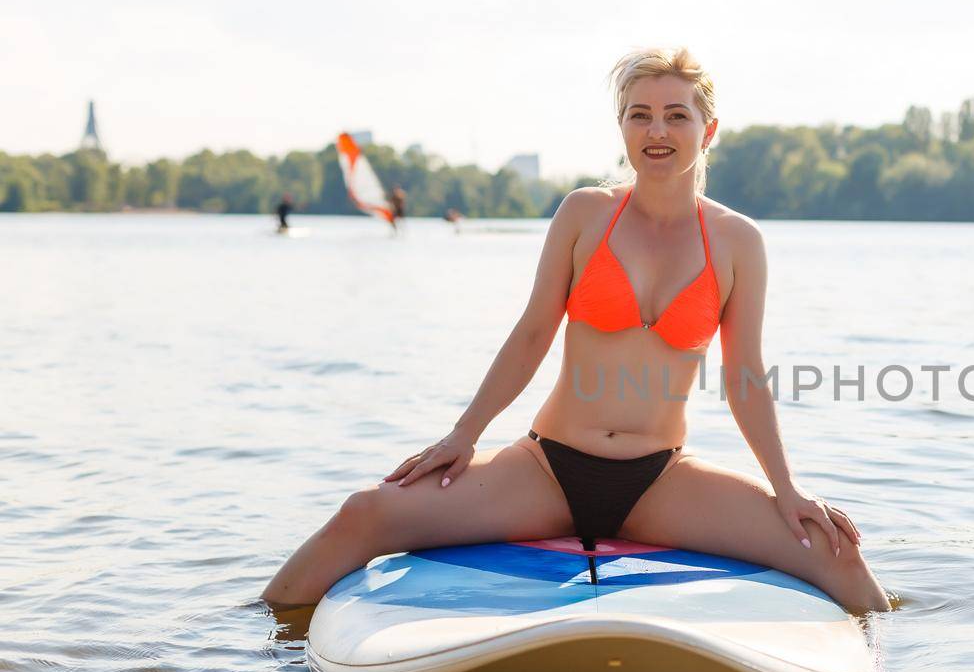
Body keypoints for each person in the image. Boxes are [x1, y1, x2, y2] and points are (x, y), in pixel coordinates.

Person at [263, 48, 889, 614]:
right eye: (639, 115)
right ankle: (247, 651)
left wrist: (786, 488)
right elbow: (533, 333)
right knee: (364, 513)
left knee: (837, 553)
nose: (657, 131)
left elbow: (746, 376)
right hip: (545, 469)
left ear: (709, 130)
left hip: (660, 480)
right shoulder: (585, 214)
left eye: (676, 115)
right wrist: (464, 434)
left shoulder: (737, 242)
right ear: (622, 128)